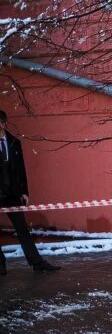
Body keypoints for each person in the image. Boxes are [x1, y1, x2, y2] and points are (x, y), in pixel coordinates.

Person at [0, 111, 59, 274]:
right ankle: (0, 265)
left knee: (22, 229)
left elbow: (20, 169)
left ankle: (36, 262)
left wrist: (24, 191)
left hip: (12, 194)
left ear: (4, 124)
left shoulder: (14, 143)